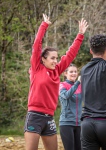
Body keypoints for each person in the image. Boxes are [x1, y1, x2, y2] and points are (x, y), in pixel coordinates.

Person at [24, 13, 88, 150]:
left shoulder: (57, 71)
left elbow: (70, 54)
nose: (55, 61)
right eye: (52, 58)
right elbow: (36, 46)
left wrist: (80, 35)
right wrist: (44, 25)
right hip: (34, 116)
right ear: (43, 59)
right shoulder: (36, 68)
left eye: (56, 58)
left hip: (49, 117)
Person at [59, 64, 82, 150]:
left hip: (79, 124)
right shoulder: (62, 85)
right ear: (65, 73)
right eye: (71, 72)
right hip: (66, 123)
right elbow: (66, 95)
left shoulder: (80, 86)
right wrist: (77, 83)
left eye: (75, 71)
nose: (74, 73)